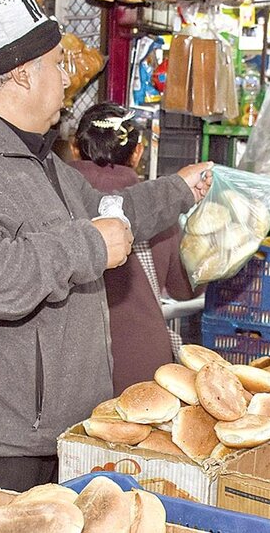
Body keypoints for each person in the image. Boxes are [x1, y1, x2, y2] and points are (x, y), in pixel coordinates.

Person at [0, 0, 212, 493]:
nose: (66, 80)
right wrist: (86, 246)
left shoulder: (37, 158)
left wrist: (178, 191)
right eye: (57, 66)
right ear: (22, 76)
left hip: (51, 431)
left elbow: (110, 212)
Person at [69, 103, 201, 393]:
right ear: (138, 152)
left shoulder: (58, 201)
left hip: (73, 366)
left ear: (74, 149)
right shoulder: (157, 208)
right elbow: (184, 289)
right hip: (143, 366)